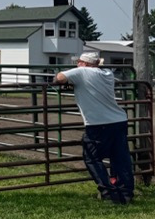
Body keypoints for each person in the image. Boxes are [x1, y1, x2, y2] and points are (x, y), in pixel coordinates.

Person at [54, 51, 134, 204]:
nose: (77, 64)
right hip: (118, 120)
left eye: (79, 62)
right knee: (120, 158)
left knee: (92, 157)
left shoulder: (81, 72)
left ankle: (108, 193)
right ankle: (126, 192)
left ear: (84, 63)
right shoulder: (107, 74)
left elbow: (60, 78)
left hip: (98, 123)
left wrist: (66, 80)